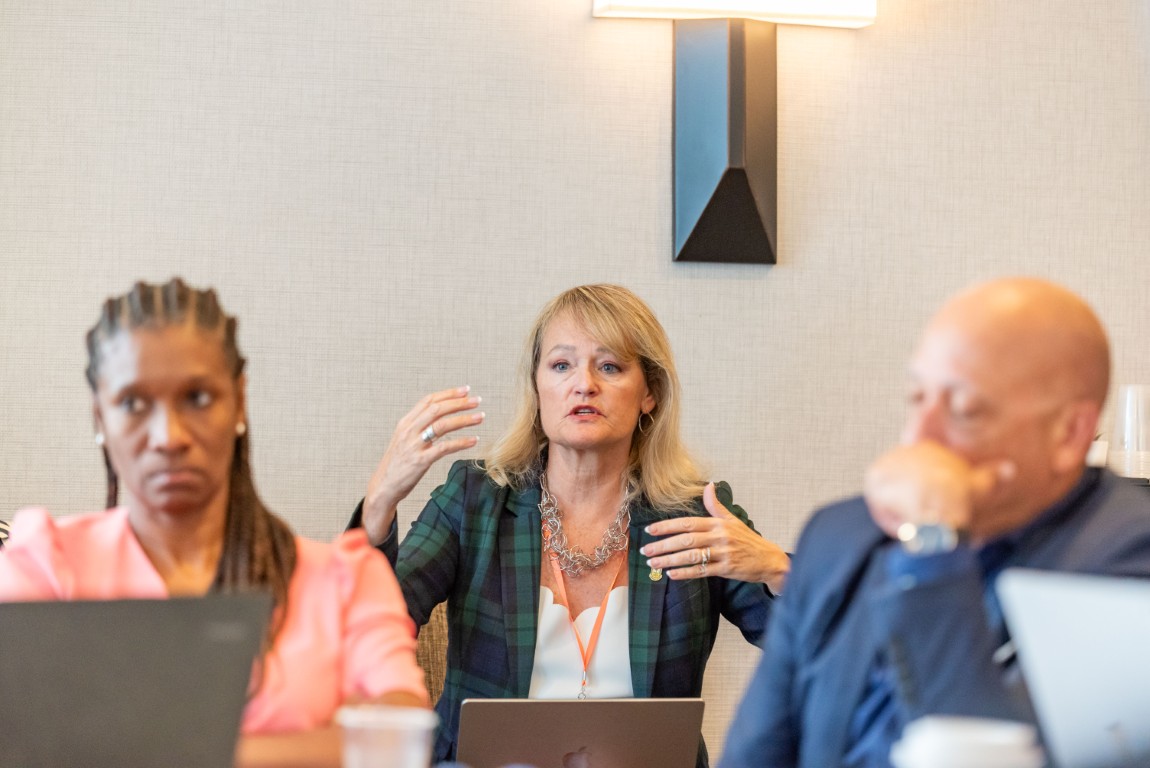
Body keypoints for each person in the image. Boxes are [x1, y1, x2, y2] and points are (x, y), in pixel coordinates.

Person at [350, 284, 790, 767]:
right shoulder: (476, 500)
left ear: (649, 394)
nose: (584, 385)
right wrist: (380, 503)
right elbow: (372, 623)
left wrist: (777, 569)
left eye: (610, 366)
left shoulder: (694, 515)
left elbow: (810, 649)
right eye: (561, 365)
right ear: (537, 388)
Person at [718, 277, 1150, 768]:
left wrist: (933, 545)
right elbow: (754, 753)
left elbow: (970, 751)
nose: (917, 436)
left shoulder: (1128, 564)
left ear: (1069, 435)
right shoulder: (841, 534)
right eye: (917, 397)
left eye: (965, 410)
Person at [0, 278, 428, 768]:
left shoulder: (345, 581)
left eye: (197, 397)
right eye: (133, 403)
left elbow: (402, 742)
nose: (168, 436)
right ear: (100, 417)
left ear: (239, 401)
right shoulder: (45, 565)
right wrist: (324, 742)